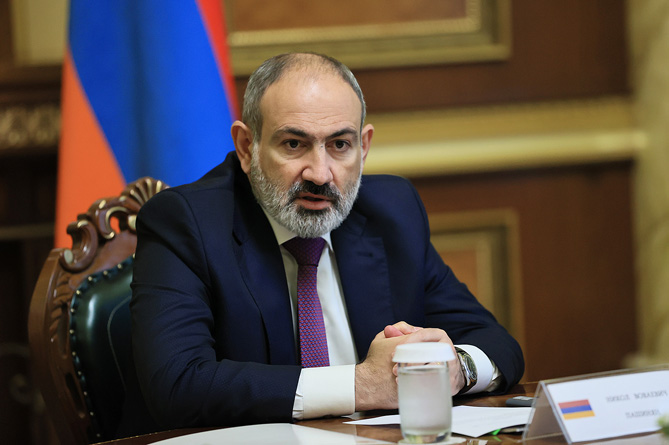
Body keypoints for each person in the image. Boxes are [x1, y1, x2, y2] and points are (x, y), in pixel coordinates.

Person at [118, 52, 524, 436]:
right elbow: (178, 384)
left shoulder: (392, 212)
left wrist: (456, 369)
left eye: (339, 145)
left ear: (364, 147)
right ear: (246, 147)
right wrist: (362, 384)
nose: (320, 173)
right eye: (294, 144)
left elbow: (496, 343)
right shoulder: (187, 223)